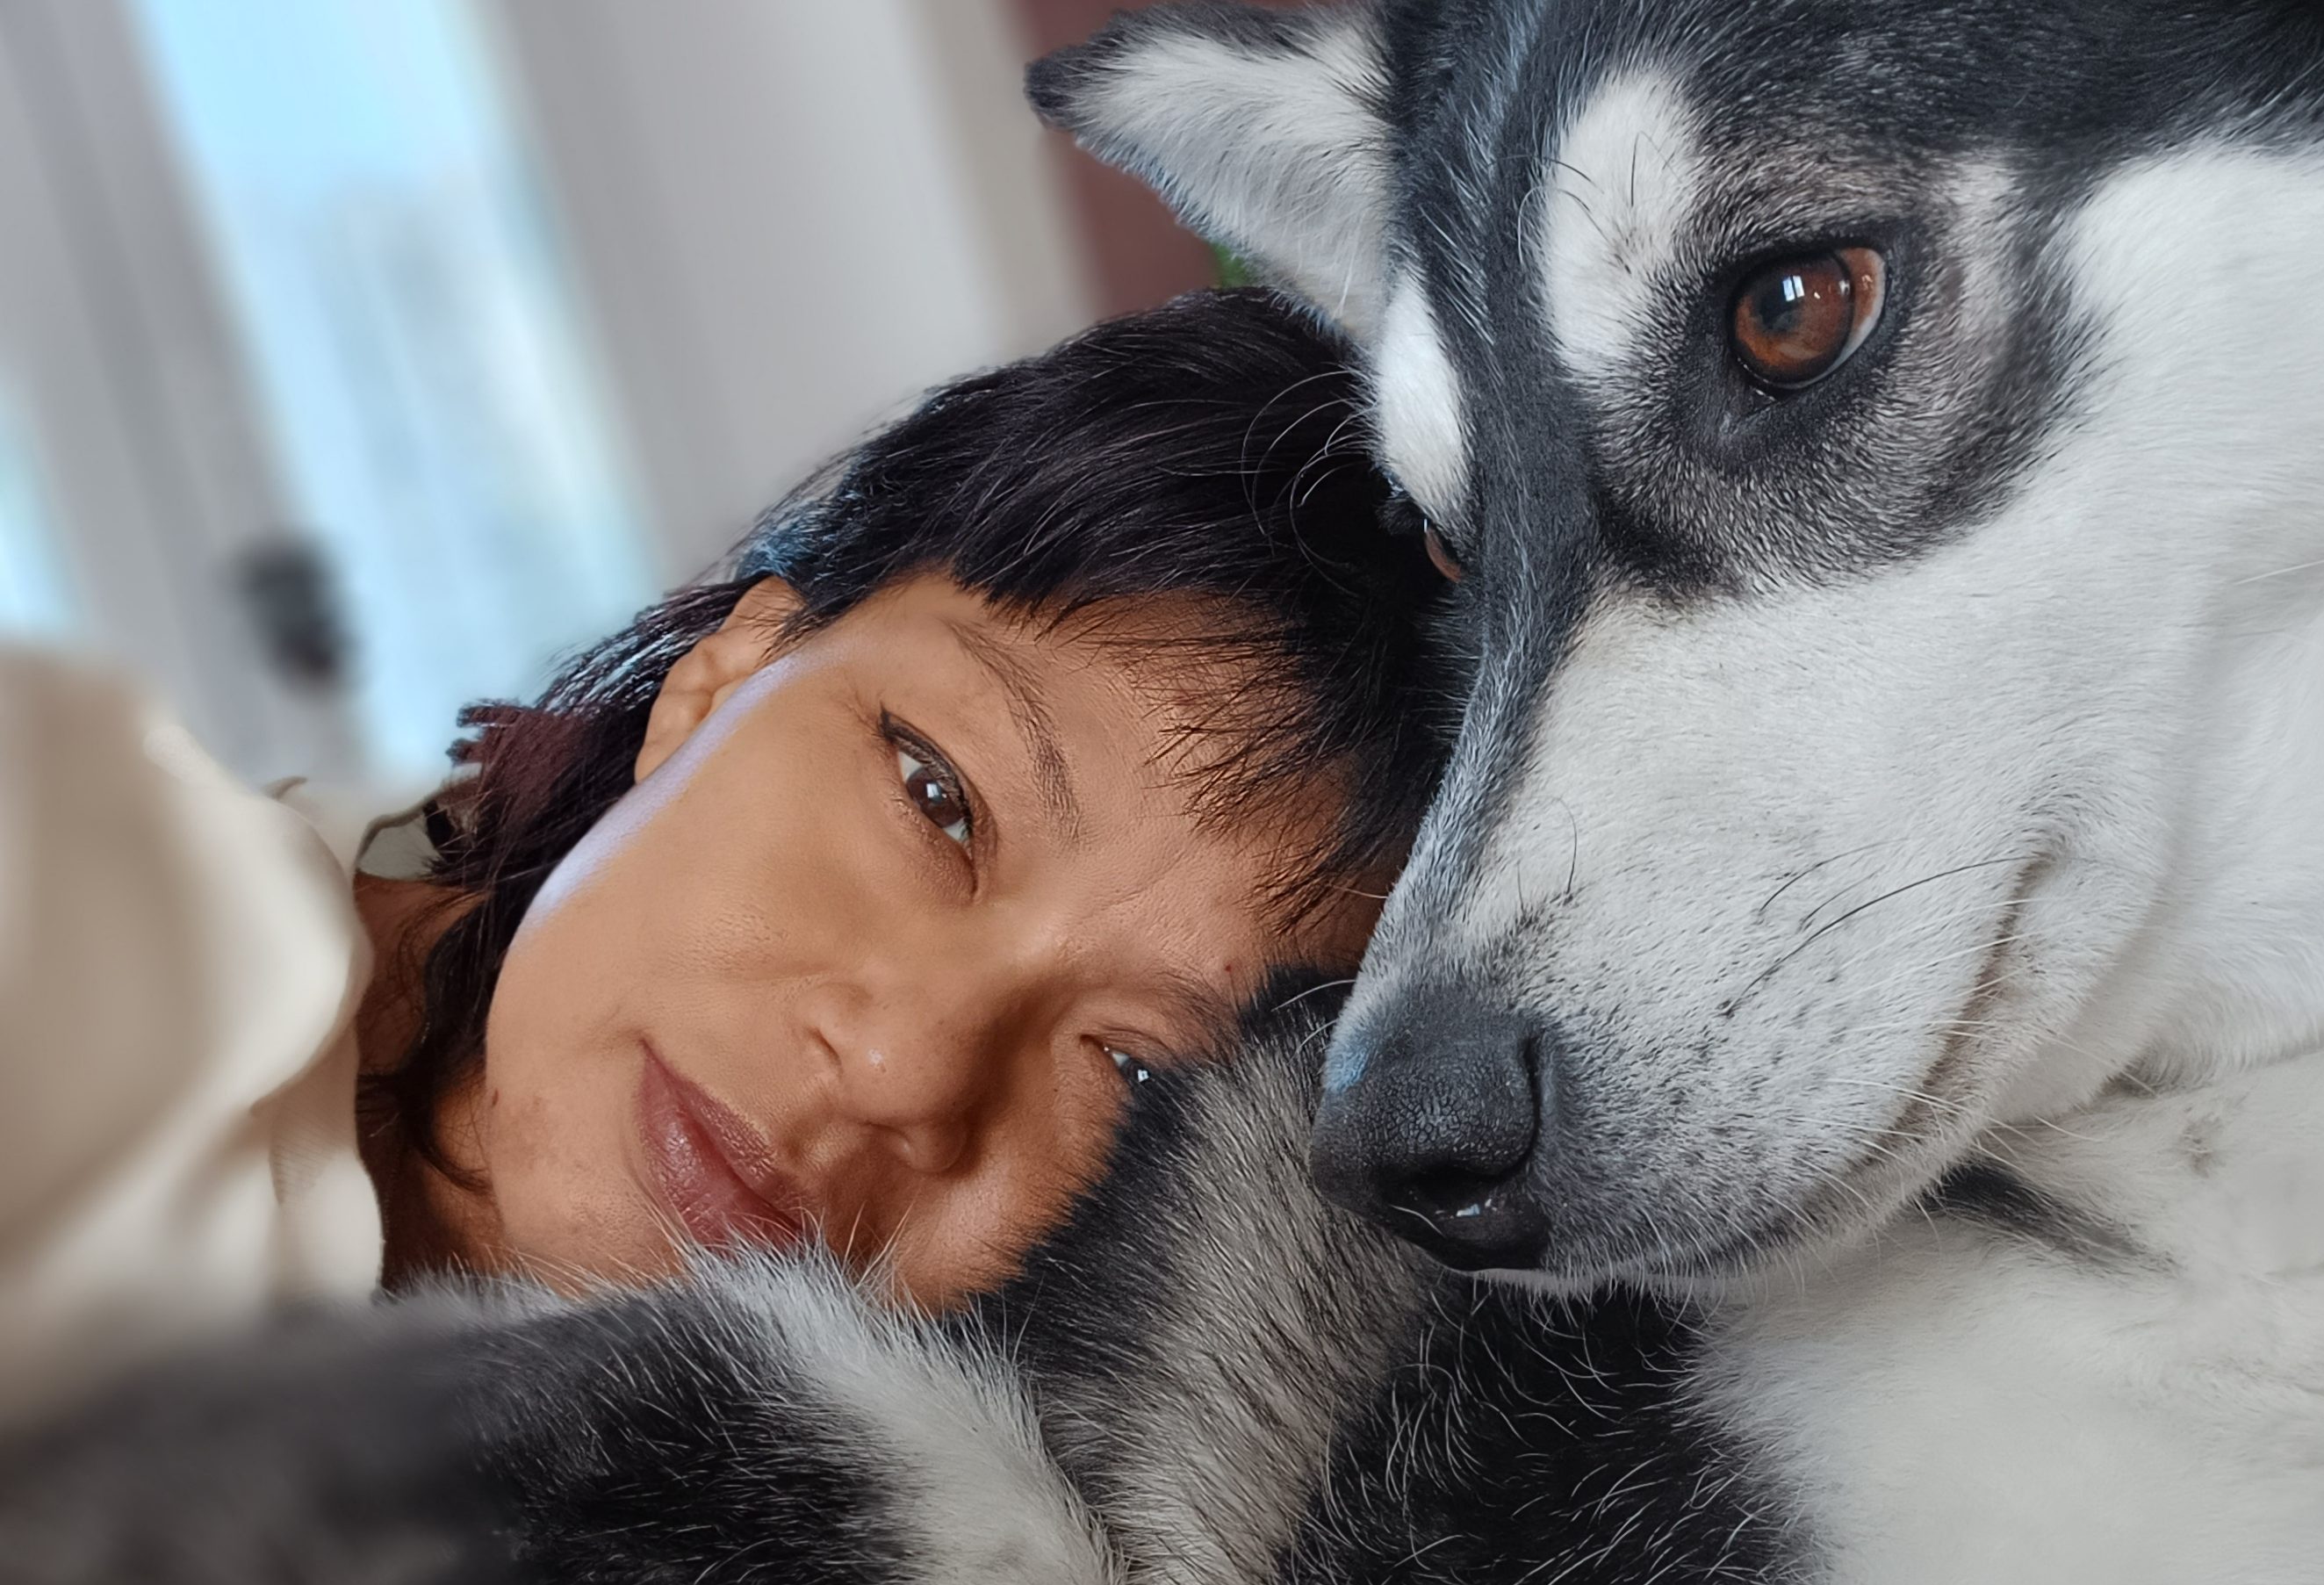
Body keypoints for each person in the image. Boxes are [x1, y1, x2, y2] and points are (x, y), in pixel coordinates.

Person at [0, 289, 1443, 1423]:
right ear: (723, 674)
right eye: (937, 800)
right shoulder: (57, 895)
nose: (901, 1068)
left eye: (1138, 1073)